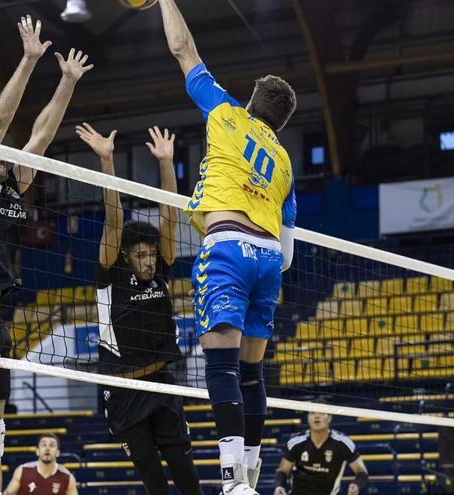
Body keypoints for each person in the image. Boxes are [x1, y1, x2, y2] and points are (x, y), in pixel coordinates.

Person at [0, 15, 94, 495]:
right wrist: (29, 60)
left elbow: (41, 137)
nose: (6, 154)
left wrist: (66, 82)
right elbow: (0, 123)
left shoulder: (12, 187)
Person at [157, 1, 298, 493]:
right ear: (279, 122)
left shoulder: (225, 113)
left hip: (229, 249)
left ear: (253, 99)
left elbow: (182, 48)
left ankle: (232, 480)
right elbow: (289, 252)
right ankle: (250, 474)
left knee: (219, 366)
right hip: (268, 262)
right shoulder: (284, 163)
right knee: (252, 373)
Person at [75, 123, 202, 495]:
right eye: (141, 255)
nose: (149, 261)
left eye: (151, 254)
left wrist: (166, 163)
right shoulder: (109, 273)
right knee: (154, 483)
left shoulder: (161, 268)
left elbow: (169, 214)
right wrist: (106, 160)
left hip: (162, 380)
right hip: (124, 389)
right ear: (125, 256)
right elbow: (113, 218)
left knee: (185, 469)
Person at [273, 409, 369, 495]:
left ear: (330, 417)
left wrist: (356, 485)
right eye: (312, 412)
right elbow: (283, 470)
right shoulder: (296, 442)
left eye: (321, 412)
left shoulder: (343, 443)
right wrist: (279, 486)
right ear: (308, 417)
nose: (316, 416)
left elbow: (361, 472)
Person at [3, 433, 78, 495]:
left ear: (58, 452)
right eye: (44, 445)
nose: (47, 448)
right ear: (37, 451)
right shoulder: (22, 470)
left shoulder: (68, 477)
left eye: (52, 445)